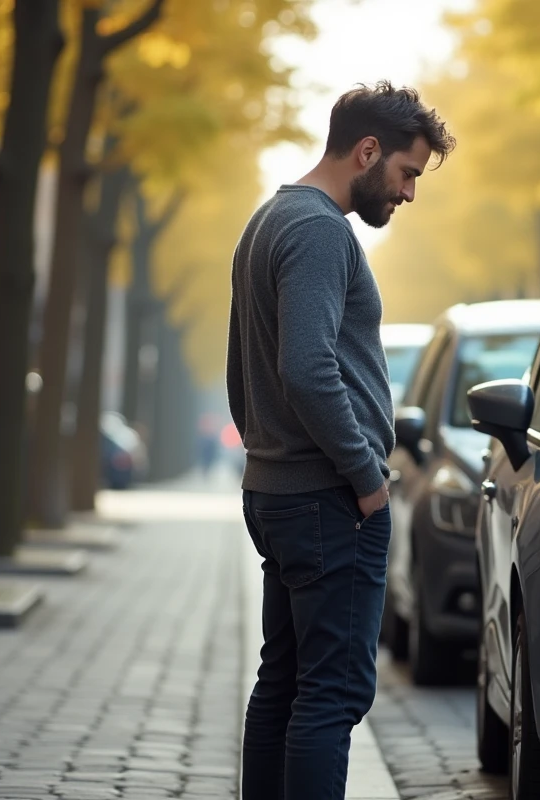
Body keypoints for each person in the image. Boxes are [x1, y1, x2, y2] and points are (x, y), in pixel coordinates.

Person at [226, 81, 454, 800]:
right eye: (407, 172)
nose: (410, 193)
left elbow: (246, 371)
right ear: (366, 151)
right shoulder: (322, 230)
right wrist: (366, 478)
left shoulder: (269, 219)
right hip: (327, 500)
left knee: (285, 685)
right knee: (332, 695)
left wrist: (267, 450)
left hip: (279, 490)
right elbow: (305, 365)